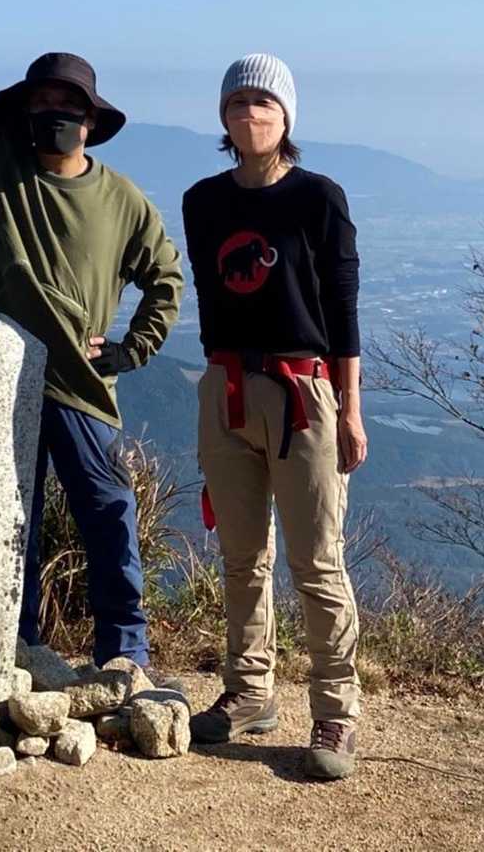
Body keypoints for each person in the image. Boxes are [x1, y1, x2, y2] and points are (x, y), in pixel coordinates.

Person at [0, 0, 184, 675]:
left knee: (108, 510)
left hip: (80, 382)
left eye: (66, 107)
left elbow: (165, 277)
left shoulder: (123, 200)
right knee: (9, 517)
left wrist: (131, 350)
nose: (52, 117)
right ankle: (15, 645)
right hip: (1, 374)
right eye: (40, 106)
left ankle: (123, 652)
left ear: (90, 120)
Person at [181, 54, 368, 780]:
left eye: (264, 102)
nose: (249, 114)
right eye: (237, 103)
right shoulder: (203, 202)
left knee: (316, 562)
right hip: (226, 386)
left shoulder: (318, 198)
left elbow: (343, 313)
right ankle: (249, 692)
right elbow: (210, 297)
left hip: (305, 392)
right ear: (223, 119)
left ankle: (336, 710)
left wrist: (350, 411)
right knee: (240, 557)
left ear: (286, 116)